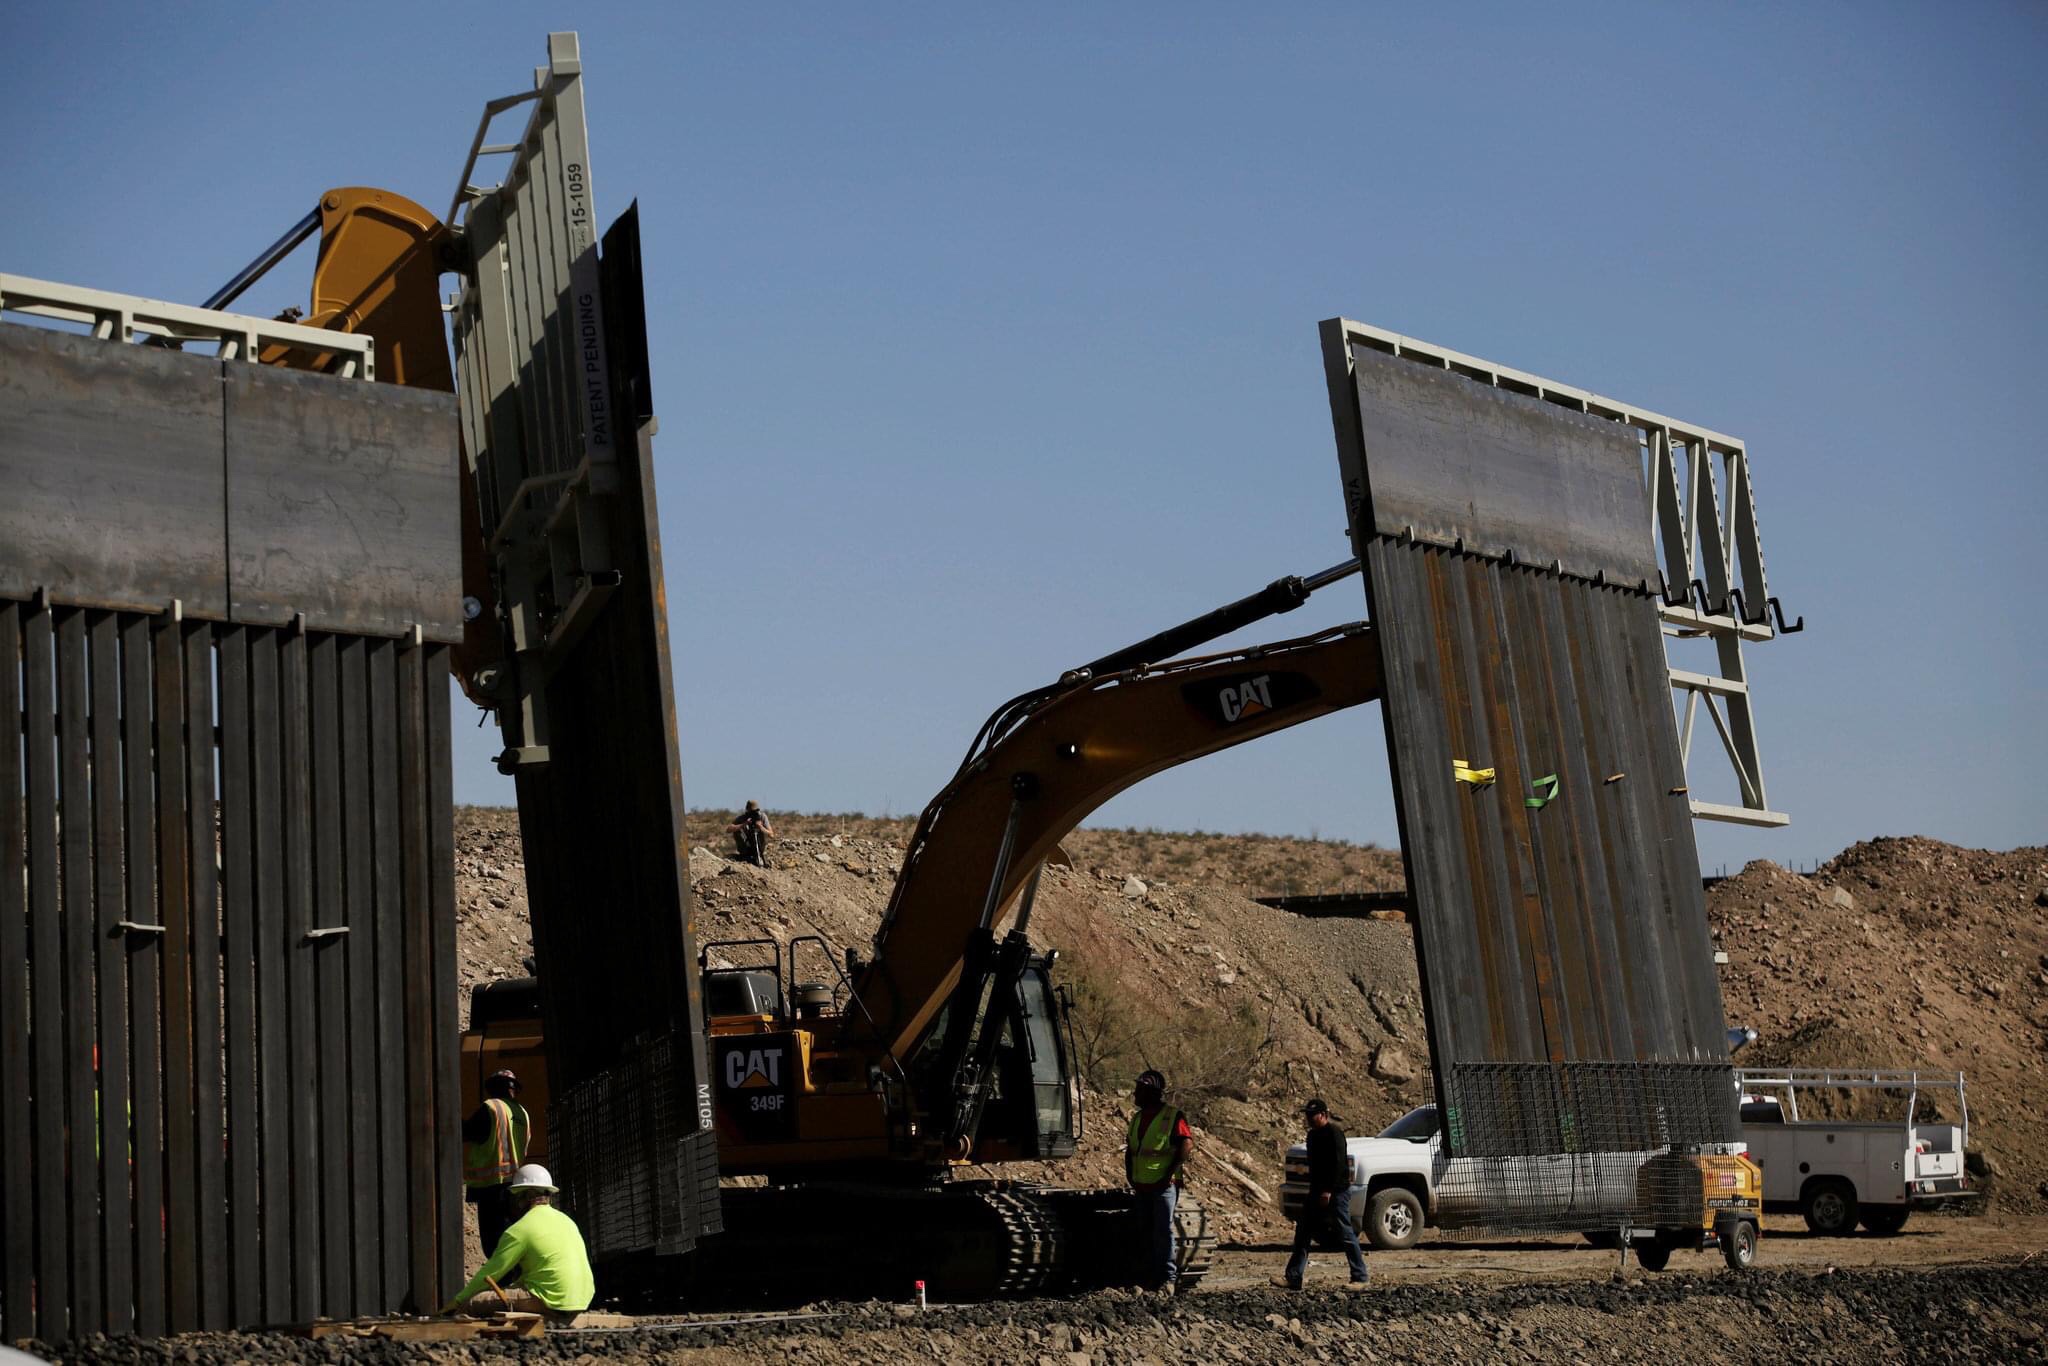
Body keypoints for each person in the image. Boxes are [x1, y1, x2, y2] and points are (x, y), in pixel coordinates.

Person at [444, 1164, 594, 1324]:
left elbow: (490, 1272)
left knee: (472, 1303)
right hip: (580, 1300)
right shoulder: (567, 1221)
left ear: (526, 1196)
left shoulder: (520, 1229)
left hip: (550, 1299)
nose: (513, 1202)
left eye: (516, 1196)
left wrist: (458, 1301)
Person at [1278, 1097, 1369, 1291]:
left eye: (1313, 1115)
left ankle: (1360, 1276)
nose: (1310, 1119)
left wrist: (1328, 1190)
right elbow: (1314, 1166)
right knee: (1303, 1232)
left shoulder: (1334, 1134)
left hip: (1337, 1191)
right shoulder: (1312, 1136)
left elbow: (1337, 1165)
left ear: (1324, 1115)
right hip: (1316, 1190)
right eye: (1308, 1116)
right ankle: (1293, 1277)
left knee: (1344, 1232)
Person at [1124, 1068, 1193, 1292]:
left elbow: (1186, 1145)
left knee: (1163, 1232)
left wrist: (1170, 1173)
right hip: (1142, 1184)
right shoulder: (1136, 1118)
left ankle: (1167, 1278)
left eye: (1139, 1090)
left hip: (1164, 1186)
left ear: (1152, 1092)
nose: (1135, 1095)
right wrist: (1130, 1174)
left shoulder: (1172, 1116)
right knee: (1144, 1231)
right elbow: (1132, 1149)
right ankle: (1147, 1277)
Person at [461, 1069, 530, 1261]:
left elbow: (467, 1133)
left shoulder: (491, 1108)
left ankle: (503, 1277)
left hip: (492, 1187)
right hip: (515, 1186)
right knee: (509, 1236)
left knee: (493, 1242)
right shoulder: (521, 1113)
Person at [729, 800, 775, 866]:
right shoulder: (743, 818)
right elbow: (729, 829)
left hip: (759, 846)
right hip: (746, 846)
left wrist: (761, 827)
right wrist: (743, 824)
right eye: (751, 812)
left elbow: (771, 835)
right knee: (737, 830)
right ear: (747, 810)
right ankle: (745, 855)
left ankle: (758, 856)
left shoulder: (762, 816)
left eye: (755, 811)